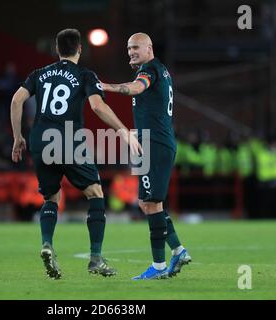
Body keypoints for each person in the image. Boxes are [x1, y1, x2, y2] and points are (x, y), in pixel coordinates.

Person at [10, 28, 141, 279]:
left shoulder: (40, 73)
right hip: (67, 138)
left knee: (51, 197)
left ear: (57, 50)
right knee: (95, 193)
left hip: (40, 139)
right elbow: (97, 106)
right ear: (80, 49)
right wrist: (123, 130)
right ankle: (95, 259)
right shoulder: (84, 74)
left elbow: (17, 100)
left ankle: (47, 244)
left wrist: (18, 137)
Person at [101, 33, 191, 280]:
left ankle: (159, 267)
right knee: (148, 202)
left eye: (136, 47)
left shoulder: (149, 70)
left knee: (151, 203)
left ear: (149, 48)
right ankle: (179, 250)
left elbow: (136, 88)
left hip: (155, 144)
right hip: (153, 144)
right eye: (129, 48)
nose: (131, 52)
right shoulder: (160, 70)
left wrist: (107, 87)